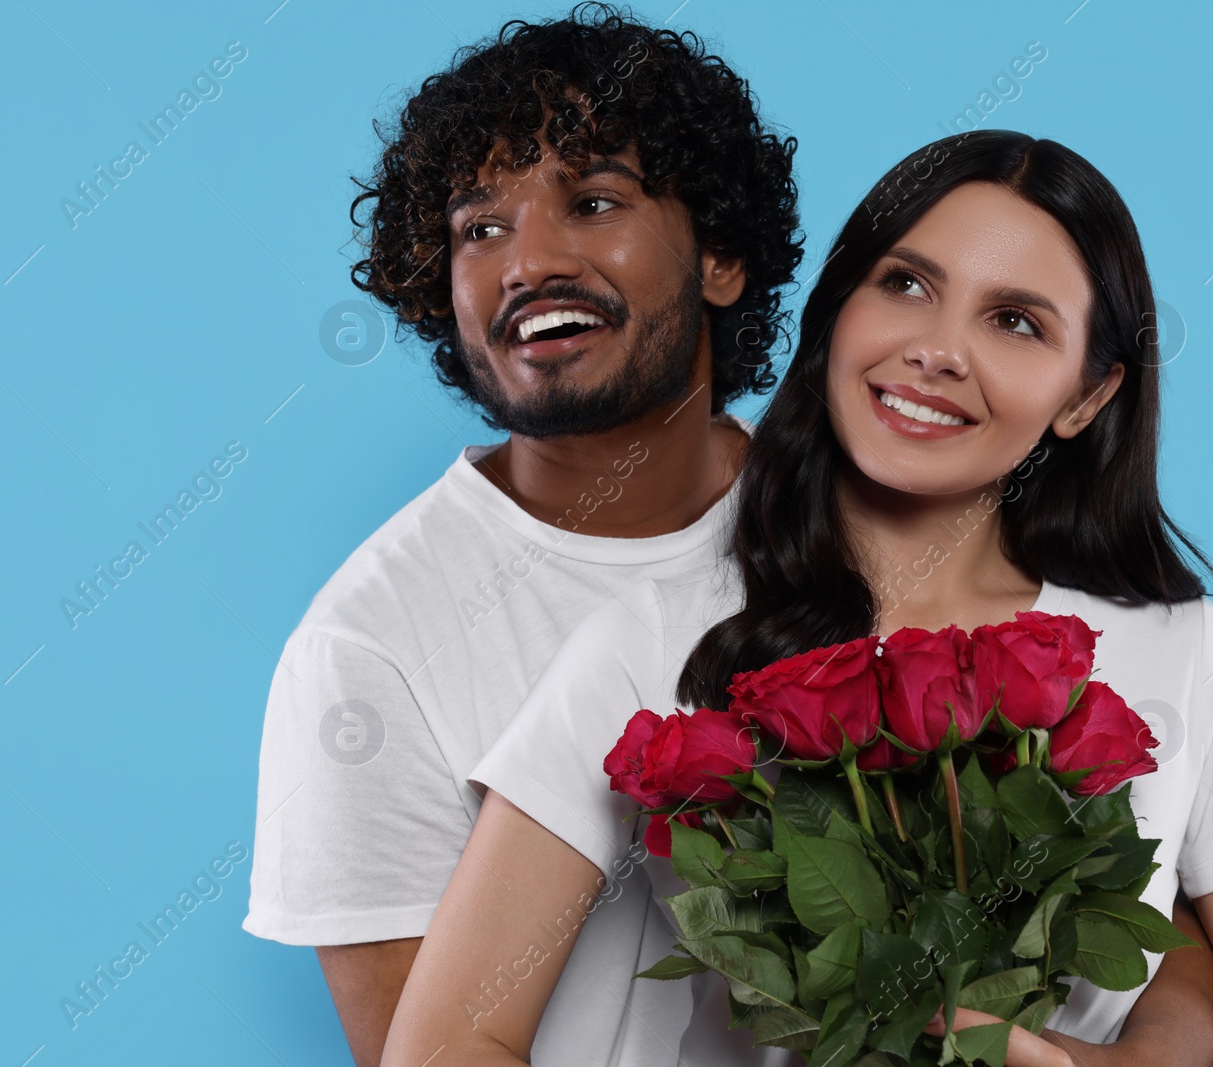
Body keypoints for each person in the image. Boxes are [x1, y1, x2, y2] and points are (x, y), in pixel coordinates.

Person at [385, 131, 1213, 1065]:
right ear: (838, 308)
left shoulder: (1191, 657)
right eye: (906, 284)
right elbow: (444, 1043)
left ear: (1087, 396)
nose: (936, 349)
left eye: (1015, 321)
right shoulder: (651, 638)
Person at [243, 6, 806, 1065]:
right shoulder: (367, 651)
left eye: (593, 201)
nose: (527, 261)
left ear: (721, 256)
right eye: (478, 228)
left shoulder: (872, 520)